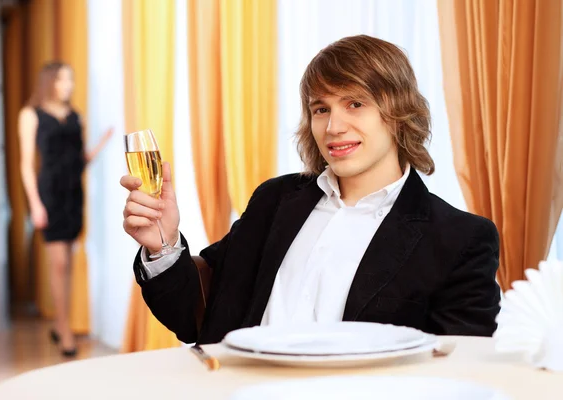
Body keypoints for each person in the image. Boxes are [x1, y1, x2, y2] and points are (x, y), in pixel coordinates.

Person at [120, 35, 501, 345]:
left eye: (355, 104)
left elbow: (458, 372)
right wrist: (163, 245)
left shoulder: (460, 238)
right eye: (321, 109)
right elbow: (197, 317)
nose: (334, 127)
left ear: (399, 113)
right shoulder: (275, 200)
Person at [19, 61, 112, 356]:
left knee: (68, 265)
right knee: (58, 264)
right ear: (49, 82)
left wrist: (100, 147)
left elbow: (78, 159)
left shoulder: (76, 116)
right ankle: (65, 331)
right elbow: (25, 164)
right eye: (62, 80)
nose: (68, 86)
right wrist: (35, 204)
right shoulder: (30, 115)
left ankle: (62, 326)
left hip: (74, 194)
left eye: (70, 80)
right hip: (49, 195)